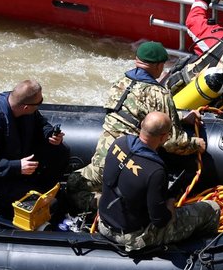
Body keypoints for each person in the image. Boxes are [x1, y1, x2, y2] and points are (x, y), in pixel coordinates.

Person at [68, 41, 206, 214]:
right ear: (157, 66)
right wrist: (196, 144)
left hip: (103, 161)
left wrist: (180, 117)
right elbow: (172, 141)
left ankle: (101, 202)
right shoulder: (159, 94)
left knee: (73, 184)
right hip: (127, 164)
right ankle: (111, 205)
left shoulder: (121, 83)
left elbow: (135, 111)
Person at [97, 111, 220, 251]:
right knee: (212, 208)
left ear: (142, 124)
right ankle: (201, 251)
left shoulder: (119, 142)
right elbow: (160, 220)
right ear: (164, 137)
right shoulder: (155, 171)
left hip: (104, 222)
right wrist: (171, 201)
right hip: (131, 236)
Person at [0, 79, 70, 219]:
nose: (39, 106)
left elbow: (40, 122)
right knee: (52, 205)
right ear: (26, 107)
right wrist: (16, 166)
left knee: (61, 150)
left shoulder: (22, 106)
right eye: (39, 103)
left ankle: (43, 189)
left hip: (18, 167)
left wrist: (49, 134)